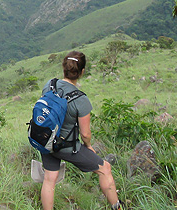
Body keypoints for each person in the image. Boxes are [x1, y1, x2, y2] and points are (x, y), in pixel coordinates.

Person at [40, 51, 124, 210]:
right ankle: (117, 208)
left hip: (45, 139)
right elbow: (85, 134)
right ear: (82, 71)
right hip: (65, 146)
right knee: (105, 169)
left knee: (50, 178)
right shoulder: (81, 100)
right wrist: (89, 146)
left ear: (64, 69)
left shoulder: (50, 85)